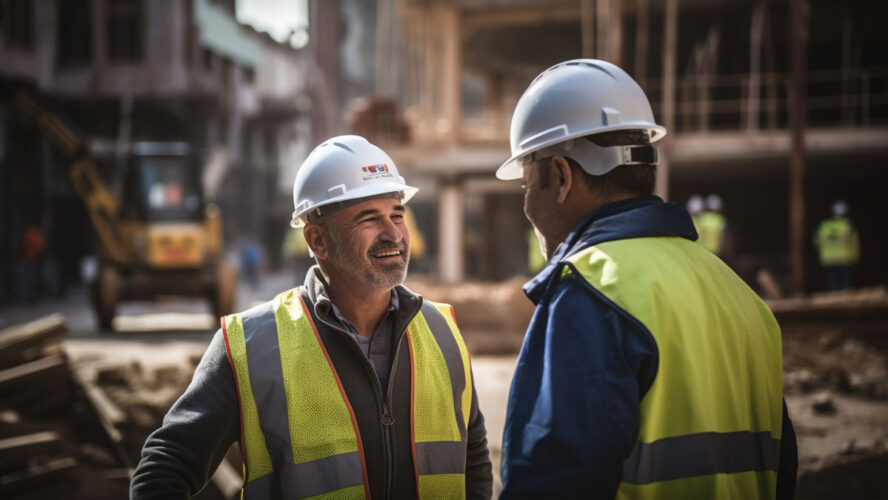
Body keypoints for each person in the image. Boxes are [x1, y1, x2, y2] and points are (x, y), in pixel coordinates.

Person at [495, 59, 796, 498]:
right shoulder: (742, 297)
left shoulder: (591, 293)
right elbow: (781, 470)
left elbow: (554, 479)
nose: (527, 205)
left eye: (526, 185)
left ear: (560, 176)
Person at [131, 135, 492, 499]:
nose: (393, 234)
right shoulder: (251, 346)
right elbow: (165, 468)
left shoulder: (442, 332)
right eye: (369, 219)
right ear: (318, 241)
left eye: (397, 214)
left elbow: (473, 460)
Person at [814, 200, 859, 291]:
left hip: (828, 259)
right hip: (844, 259)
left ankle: (832, 298)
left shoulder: (824, 226)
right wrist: (855, 258)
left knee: (832, 283)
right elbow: (854, 244)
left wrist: (822, 253)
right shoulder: (847, 225)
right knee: (844, 284)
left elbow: (817, 241)